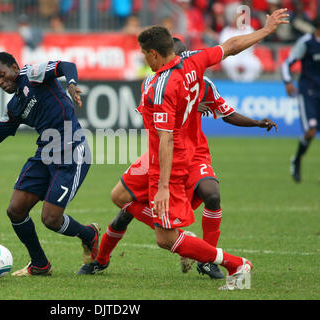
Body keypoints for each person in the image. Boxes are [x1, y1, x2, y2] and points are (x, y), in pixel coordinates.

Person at [80, 9, 288, 290]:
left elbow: (165, 139)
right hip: (162, 155)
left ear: (154, 54)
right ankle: (164, 233)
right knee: (119, 196)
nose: (144, 59)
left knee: (166, 239)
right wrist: (265, 31)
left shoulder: (162, 86)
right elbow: (230, 47)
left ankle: (236, 263)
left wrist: (163, 186)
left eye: (144, 54)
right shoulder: (194, 62)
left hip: (168, 161)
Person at [0, 52, 101, 276]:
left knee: (50, 219)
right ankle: (40, 264)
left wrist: (71, 85)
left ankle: (88, 234)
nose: (1, 82)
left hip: (72, 152)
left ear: (14, 67)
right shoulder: (15, 107)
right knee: (16, 210)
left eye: (2, 75)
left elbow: (66, 65)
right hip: (45, 154)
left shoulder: (33, 74)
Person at [283, 15, 320, 183]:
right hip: (309, 92)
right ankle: (297, 160)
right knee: (310, 131)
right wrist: (288, 81)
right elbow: (287, 63)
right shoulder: (306, 42)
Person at [219, 3, 263, 82]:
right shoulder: (226, 31)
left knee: (255, 65)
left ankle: (246, 85)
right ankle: (236, 84)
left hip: (247, 55)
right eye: (237, 16)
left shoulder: (248, 29)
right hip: (231, 57)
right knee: (229, 64)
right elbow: (224, 49)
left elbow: (254, 43)